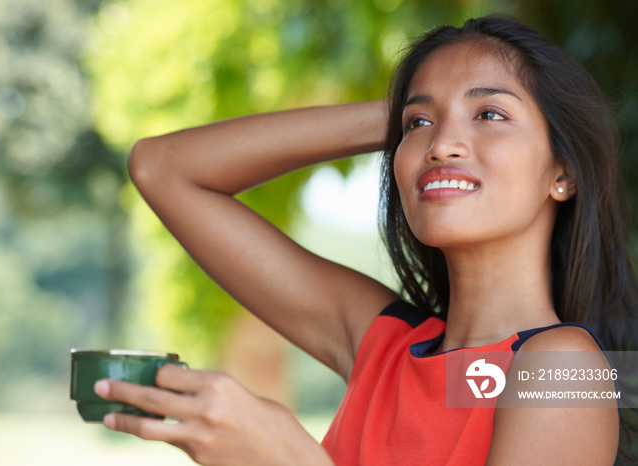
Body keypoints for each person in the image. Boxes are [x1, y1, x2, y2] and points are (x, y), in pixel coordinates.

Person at [92, 14, 638, 465]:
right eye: (419, 124)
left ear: (561, 173)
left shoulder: (564, 369)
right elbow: (162, 167)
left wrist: (292, 460)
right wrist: (403, 113)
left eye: (490, 113)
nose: (443, 143)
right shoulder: (384, 345)